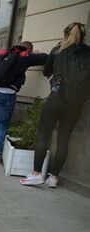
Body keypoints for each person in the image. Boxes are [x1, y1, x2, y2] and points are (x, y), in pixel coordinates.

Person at [21, 22, 90, 188]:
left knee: (43, 135)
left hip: (56, 99)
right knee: (63, 140)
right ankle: (54, 178)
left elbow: (46, 72)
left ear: (66, 34)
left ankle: (37, 174)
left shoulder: (58, 50)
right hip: (76, 104)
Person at [0, 41, 48, 160]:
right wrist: (36, 54)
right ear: (28, 50)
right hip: (8, 94)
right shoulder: (27, 56)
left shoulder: (4, 53)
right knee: (3, 125)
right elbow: (46, 58)